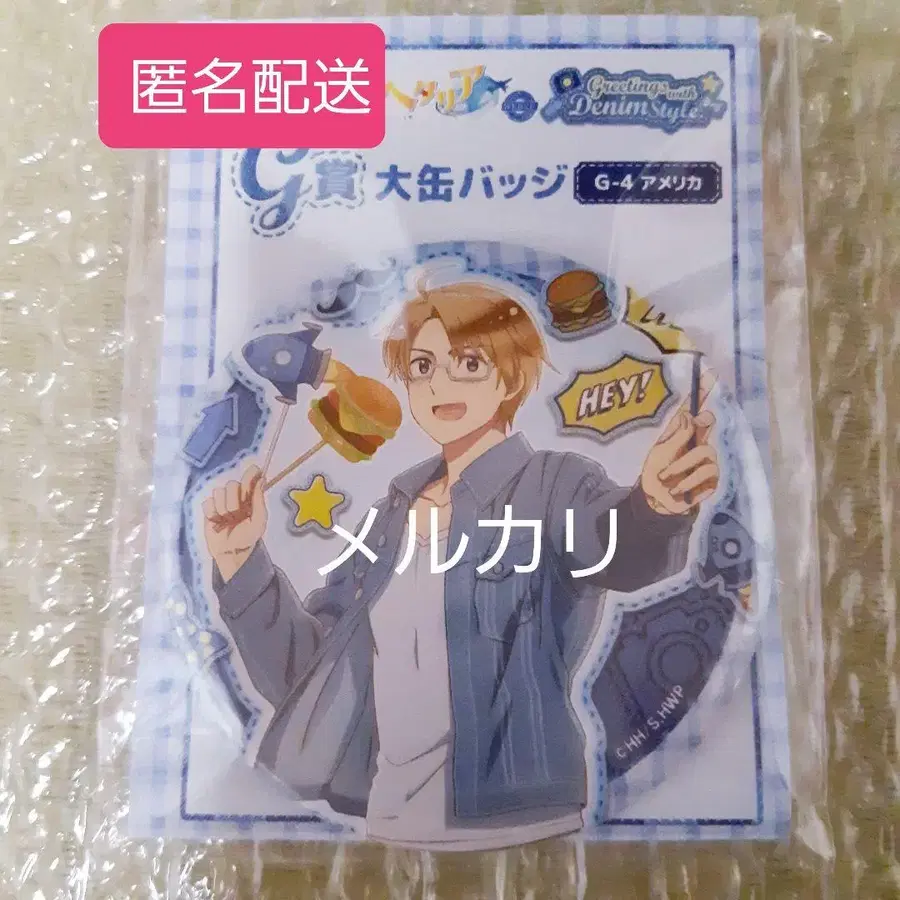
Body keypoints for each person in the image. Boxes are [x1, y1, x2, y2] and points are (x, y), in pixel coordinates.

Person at [202, 282, 719, 850]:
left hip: (524, 825)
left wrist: (655, 506)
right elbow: (311, 678)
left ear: (510, 379)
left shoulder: (553, 485)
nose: (439, 385)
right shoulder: (385, 522)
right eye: (422, 366)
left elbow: (616, 548)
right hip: (386, 829)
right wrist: (241, 563)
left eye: (469, 363)